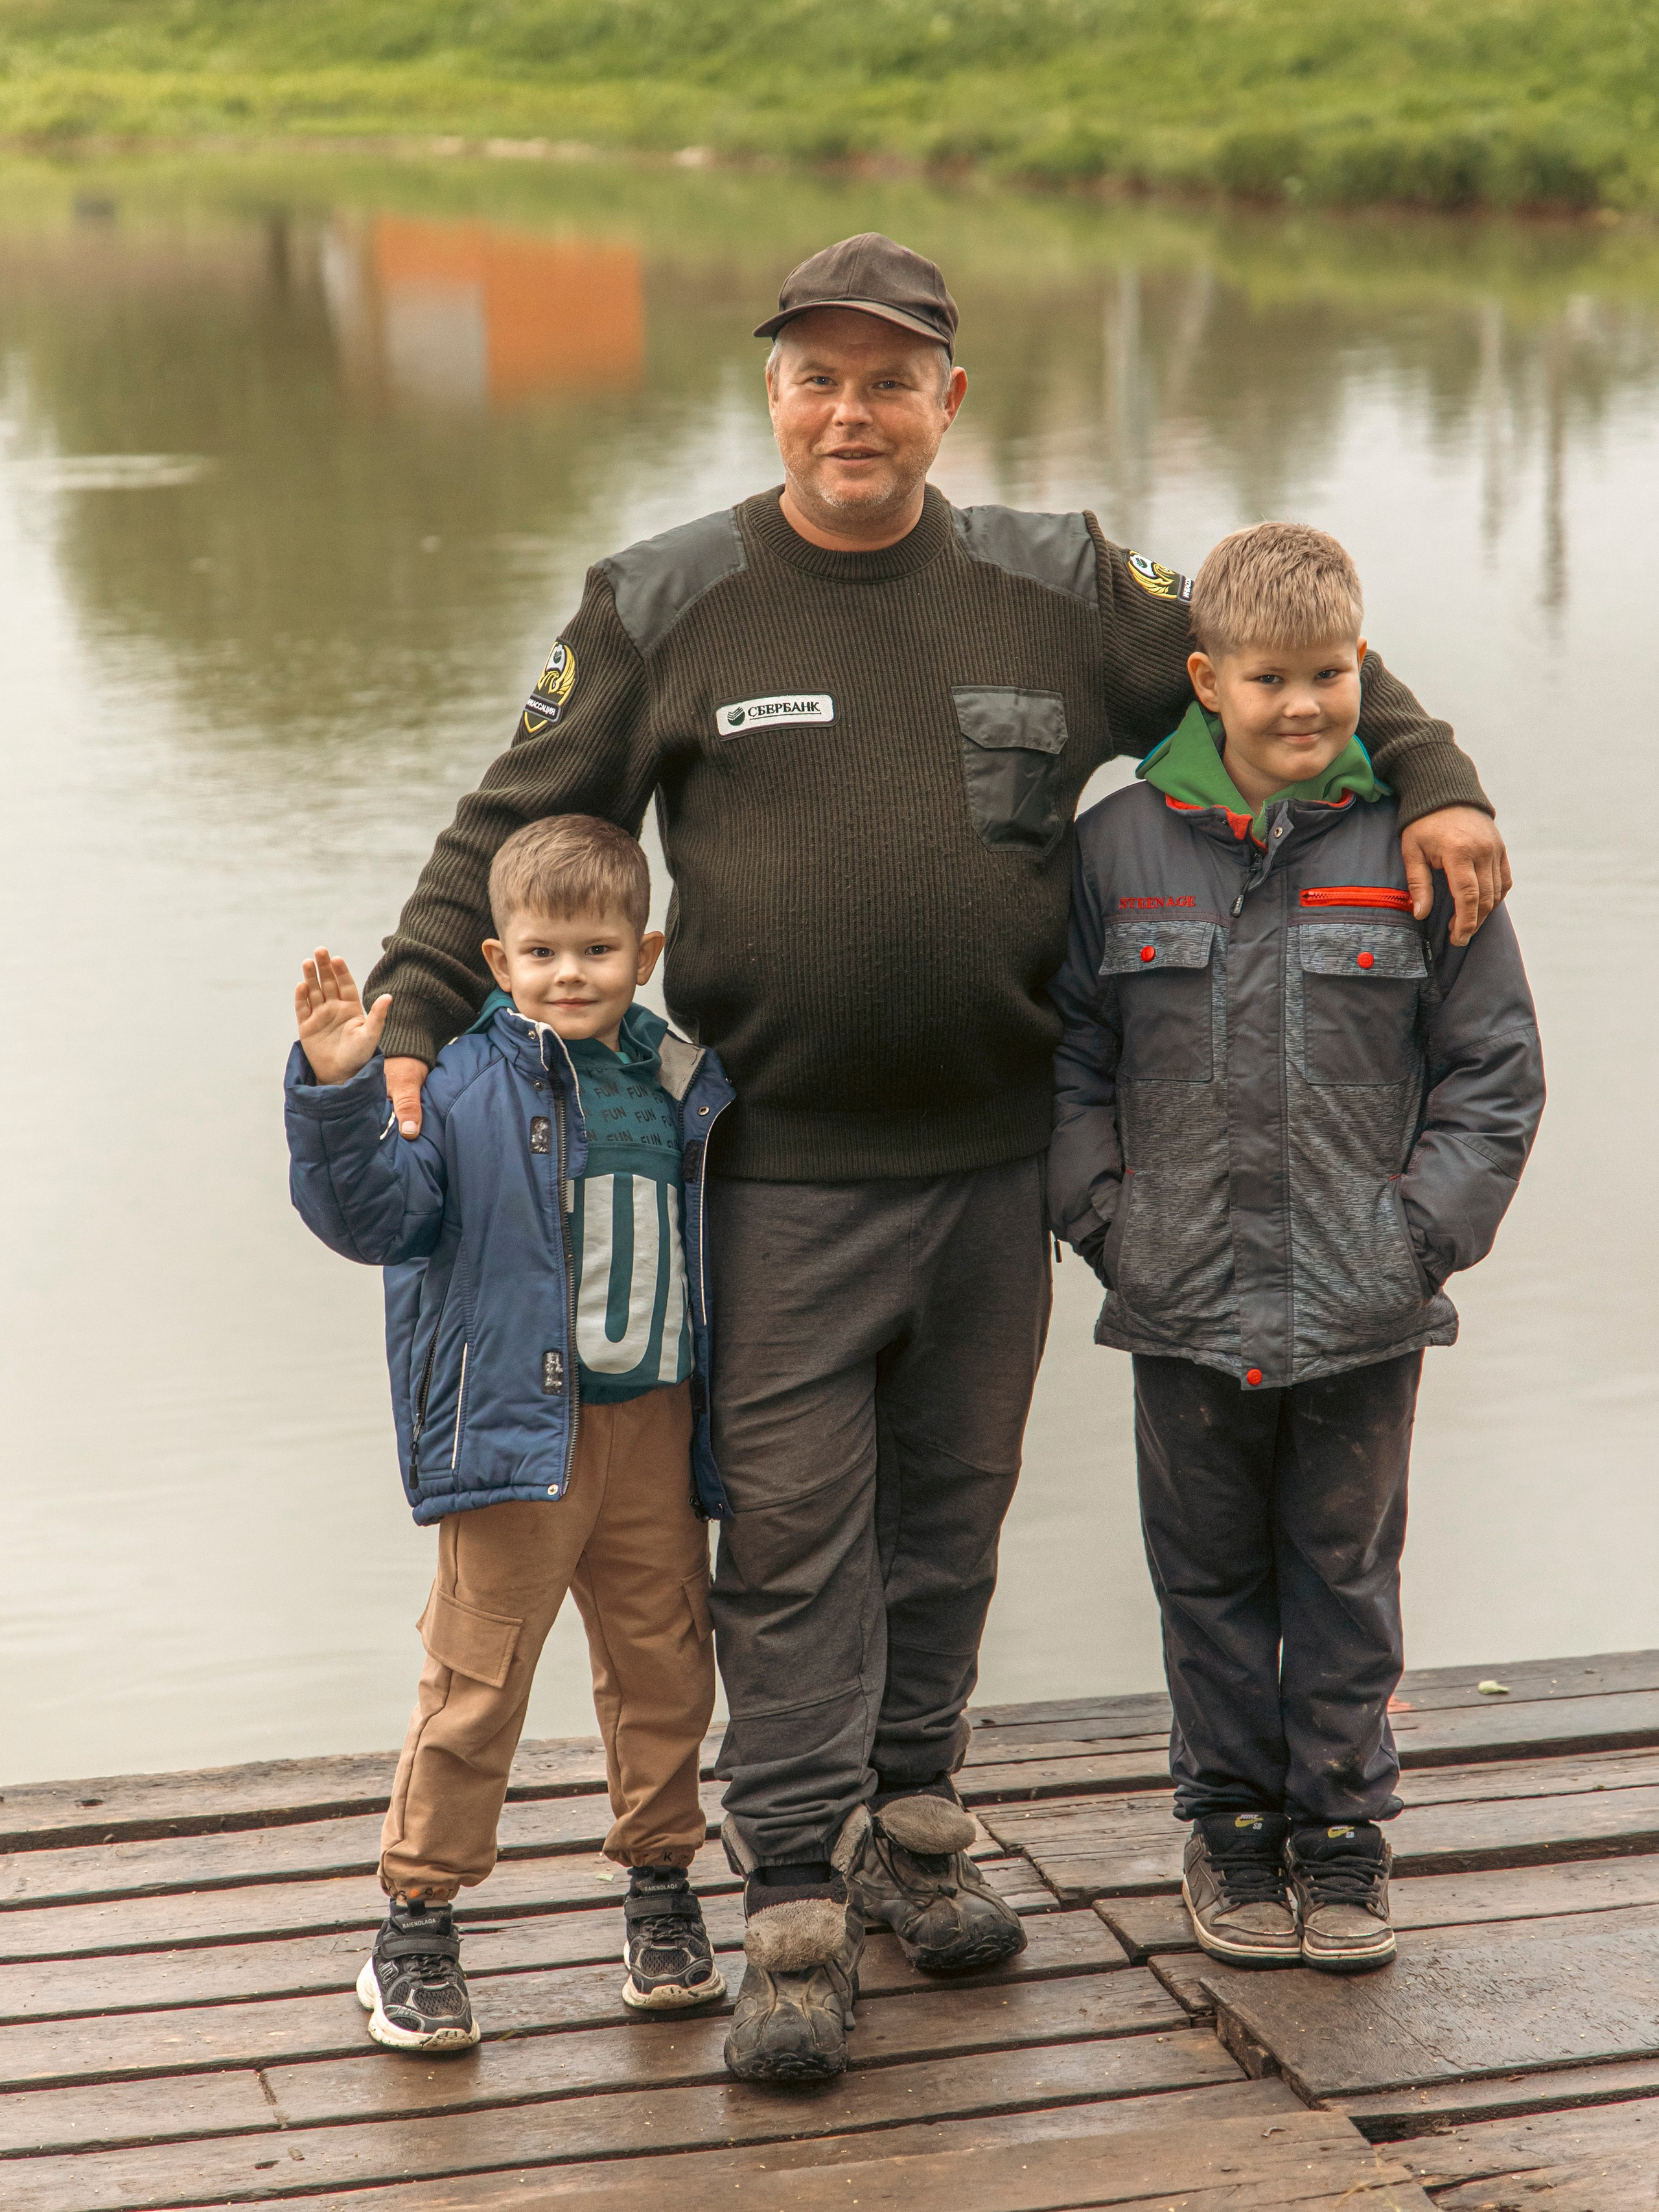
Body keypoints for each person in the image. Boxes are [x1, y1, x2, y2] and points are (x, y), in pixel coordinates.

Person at [360, 233, 1514, 2078]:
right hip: (777, 1177)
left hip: (994, 1167)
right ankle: (796, 1896)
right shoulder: (663, 597)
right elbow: (507, 823)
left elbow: (1274, 666)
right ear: (772, 394)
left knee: (950, 1521)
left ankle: (916, 1820)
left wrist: (1432, 766)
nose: (852, 409)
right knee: (796, 1535)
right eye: (817, 374)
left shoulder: (1063, 586)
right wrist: (408, 1033)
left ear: (946, 402)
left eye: (890, 378)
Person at [1049, 522, 1543, 1973]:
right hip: (1179, 1300)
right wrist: (1109, 1225)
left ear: (1361, 668)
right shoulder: (1113, 848)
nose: (1300, 707)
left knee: (1341, 1573)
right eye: (1266, 677)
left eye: (1328, 674)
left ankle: (1338, 1840)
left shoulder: (1411, 840)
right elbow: (1069, 1062)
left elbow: (1492, 1073)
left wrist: (1414, 1243)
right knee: (1203, 1581)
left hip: (1362, 1306)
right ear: (1205, 679)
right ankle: (1227, 1833)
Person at [283, 816, 735, 2050]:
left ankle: (661, 1893)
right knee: (476, 1683)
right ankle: (415, 1926)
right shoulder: (463, 1082)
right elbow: (376, 1214)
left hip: (653, 1428)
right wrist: (335, 1087)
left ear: (646, 953)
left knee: (665, 1669)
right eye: (541, 952)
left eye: (597, 948)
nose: (570, 974)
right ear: (495, 955)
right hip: (515, 1435)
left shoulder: (683, 1078)